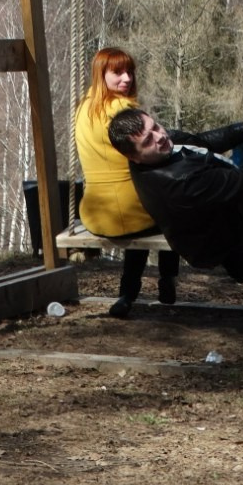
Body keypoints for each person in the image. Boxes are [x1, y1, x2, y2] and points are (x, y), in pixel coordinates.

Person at [107, 101, 243, 282]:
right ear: (132, 156)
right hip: (213, 240)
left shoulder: (153, 154)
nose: (159, 136)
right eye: (147, 140)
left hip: (202, 228)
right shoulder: (181, 183)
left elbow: (198, 142)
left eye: (155, 127)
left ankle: (240, 269)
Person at [73, 47, 181, 318]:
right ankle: (167, 279)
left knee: (140, 213)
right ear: (101, 75)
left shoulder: (83, 108)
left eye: (130, 72)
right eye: (117, 72)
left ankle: (126, 295)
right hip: (130, 214)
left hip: (95, 215)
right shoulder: (123, 110)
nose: (127, 79)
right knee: (170, 208)